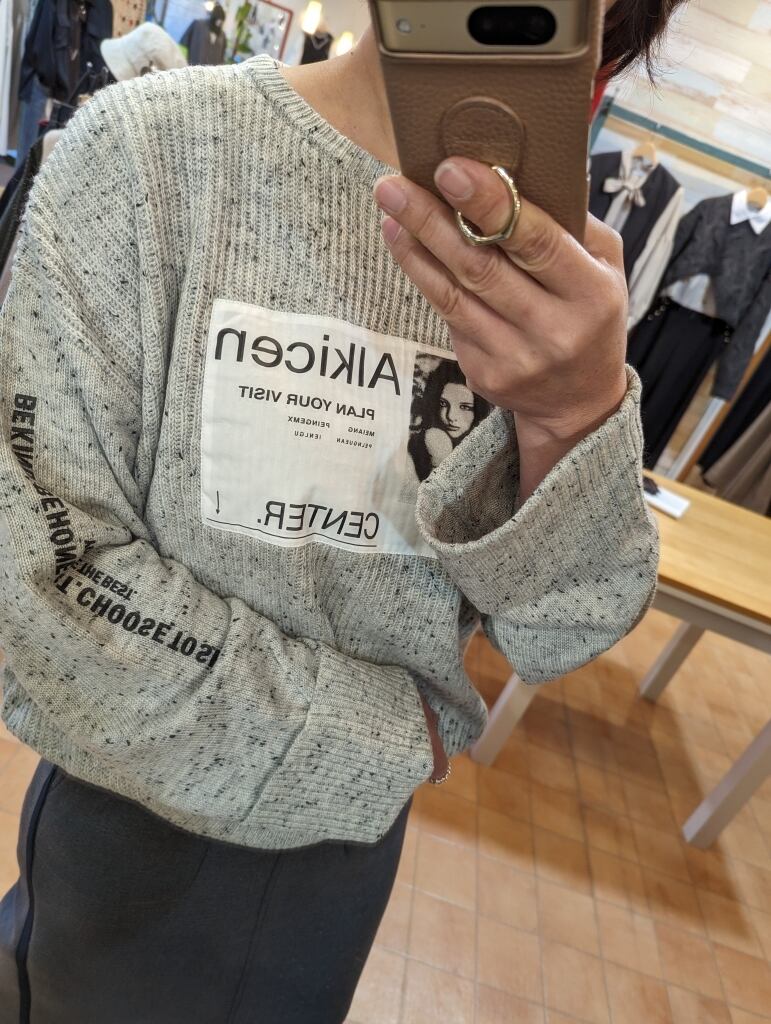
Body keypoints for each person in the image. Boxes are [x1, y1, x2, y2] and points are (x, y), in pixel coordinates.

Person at [0, 1, 681, 1020]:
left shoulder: (557, 281)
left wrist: (572, 416)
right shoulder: (147, 155)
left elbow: (564, 630)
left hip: (344, 867)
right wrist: (382, 738)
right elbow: (42, 590)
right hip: (123, 827)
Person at [408, 356, 492, 482]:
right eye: (443, 404)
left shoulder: (487, 452)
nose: (450, 416)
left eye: (465, 407)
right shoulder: (421, 443)